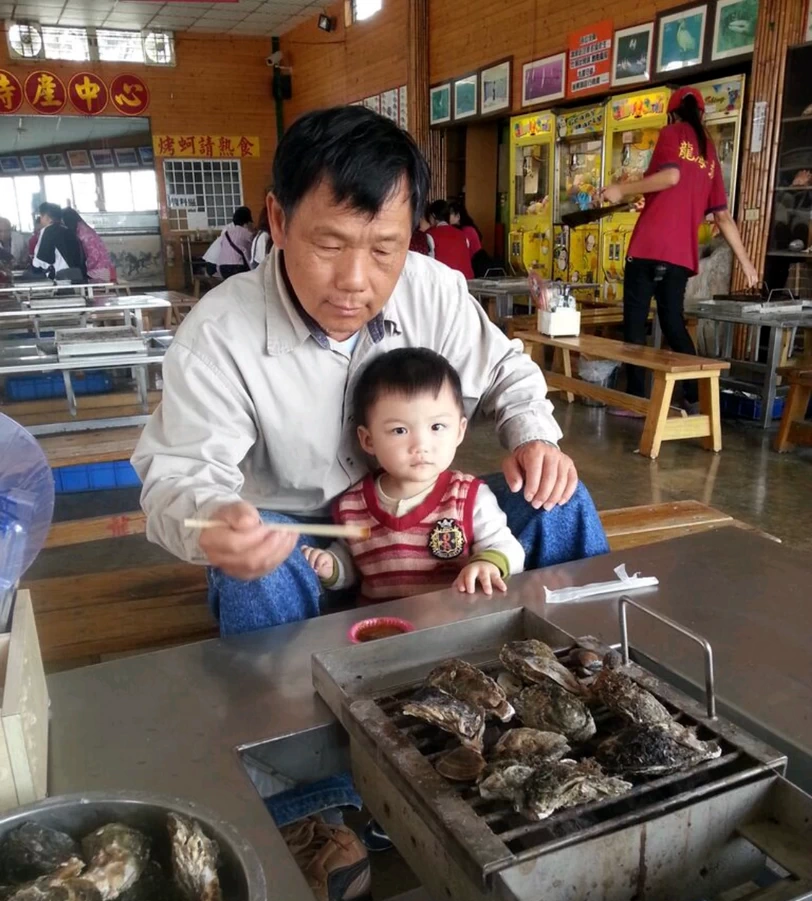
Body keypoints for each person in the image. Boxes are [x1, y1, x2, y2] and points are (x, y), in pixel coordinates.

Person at [132, 106, 607, 638]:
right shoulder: (219, 334)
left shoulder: (431, 290)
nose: (355, 280)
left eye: (385, 248)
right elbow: (177, 476)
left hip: (425, 522)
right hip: (303, 545)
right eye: (330, 245)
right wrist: (215, 520)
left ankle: (586, 662)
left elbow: (504, 370)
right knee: (257, 572)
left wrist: (534, 438)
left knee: (558, 501)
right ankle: (289, 692)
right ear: (279, 220)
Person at [302, 348, 525, 599]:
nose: (421, 445)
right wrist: (332, 566)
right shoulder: (353, 505)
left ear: (459, 431)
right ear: (368, 440)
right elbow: (351, 563)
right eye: (399, 430)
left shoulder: (469, 498)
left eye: (437, 427)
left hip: (455, 617)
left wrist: (488, 563)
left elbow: (507, 547)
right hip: (382, 622)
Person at [601, 87, 759, 405]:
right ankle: (695, 395)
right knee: (673, 322)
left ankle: (635, 400)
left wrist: (622, 189)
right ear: (701, 114)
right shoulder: (710, 153)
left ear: (673, 114)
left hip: (647, 247)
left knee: (635, 324)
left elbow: (671, 177)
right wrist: (748, 265)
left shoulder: (671, 133)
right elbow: (723, 216)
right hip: (680, 256)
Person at [30, 203, 86, 282]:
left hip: (61, 277)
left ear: (46, 217)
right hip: (78, 275)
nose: (41, 220)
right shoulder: (68, 230)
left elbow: (41, 260)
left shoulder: (48, 230)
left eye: (41, 216)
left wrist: (34, 267)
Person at [62, 207, 116, 282]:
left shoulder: (82, 234)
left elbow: (94, 256)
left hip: (100, 271)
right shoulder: (83, 228)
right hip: (106, 269)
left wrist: (84, 271)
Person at [426, 199, 474, 279]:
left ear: (433, 216)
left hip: (445, 281)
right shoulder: (463, 235)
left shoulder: (430, 235)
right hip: (467, 280)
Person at [217, 206, 254, 278]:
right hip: (237, 267)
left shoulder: (226, 233)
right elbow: (251, 252)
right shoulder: (247, 233)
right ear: (247, 221)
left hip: (222, 267)